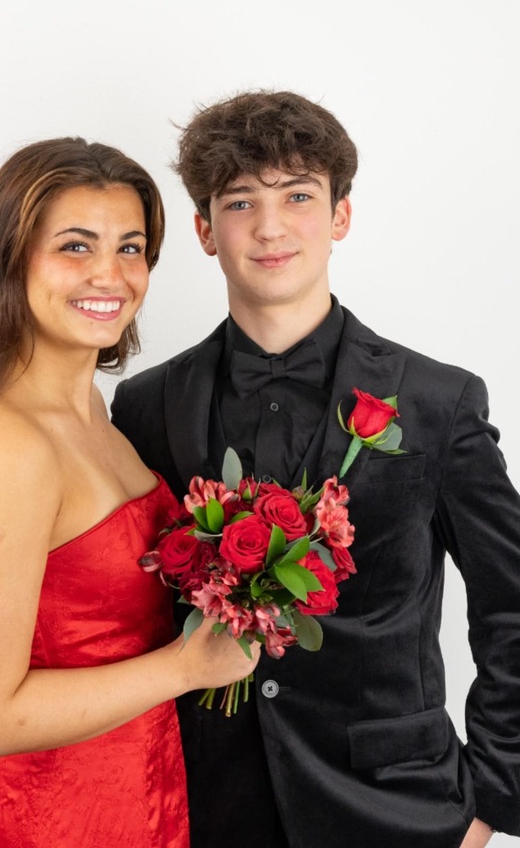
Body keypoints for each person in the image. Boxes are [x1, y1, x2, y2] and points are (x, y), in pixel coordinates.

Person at [110, 90, 520, 848]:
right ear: (204, 229)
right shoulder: (143, 406)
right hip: (204, 809)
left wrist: (491, 800)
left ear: (340, 217)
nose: (270, 228)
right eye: (239, 203)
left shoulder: (438, 401)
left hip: (402, 809)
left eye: (298, 196)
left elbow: (511, 606)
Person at [0, 137, 260, 847]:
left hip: (145, 806)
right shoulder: (4, 439)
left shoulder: (101, 413)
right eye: (74, 246)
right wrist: (187, 667)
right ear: (11, 260)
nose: (110, 274)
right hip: (42, 825)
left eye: (131, 247)